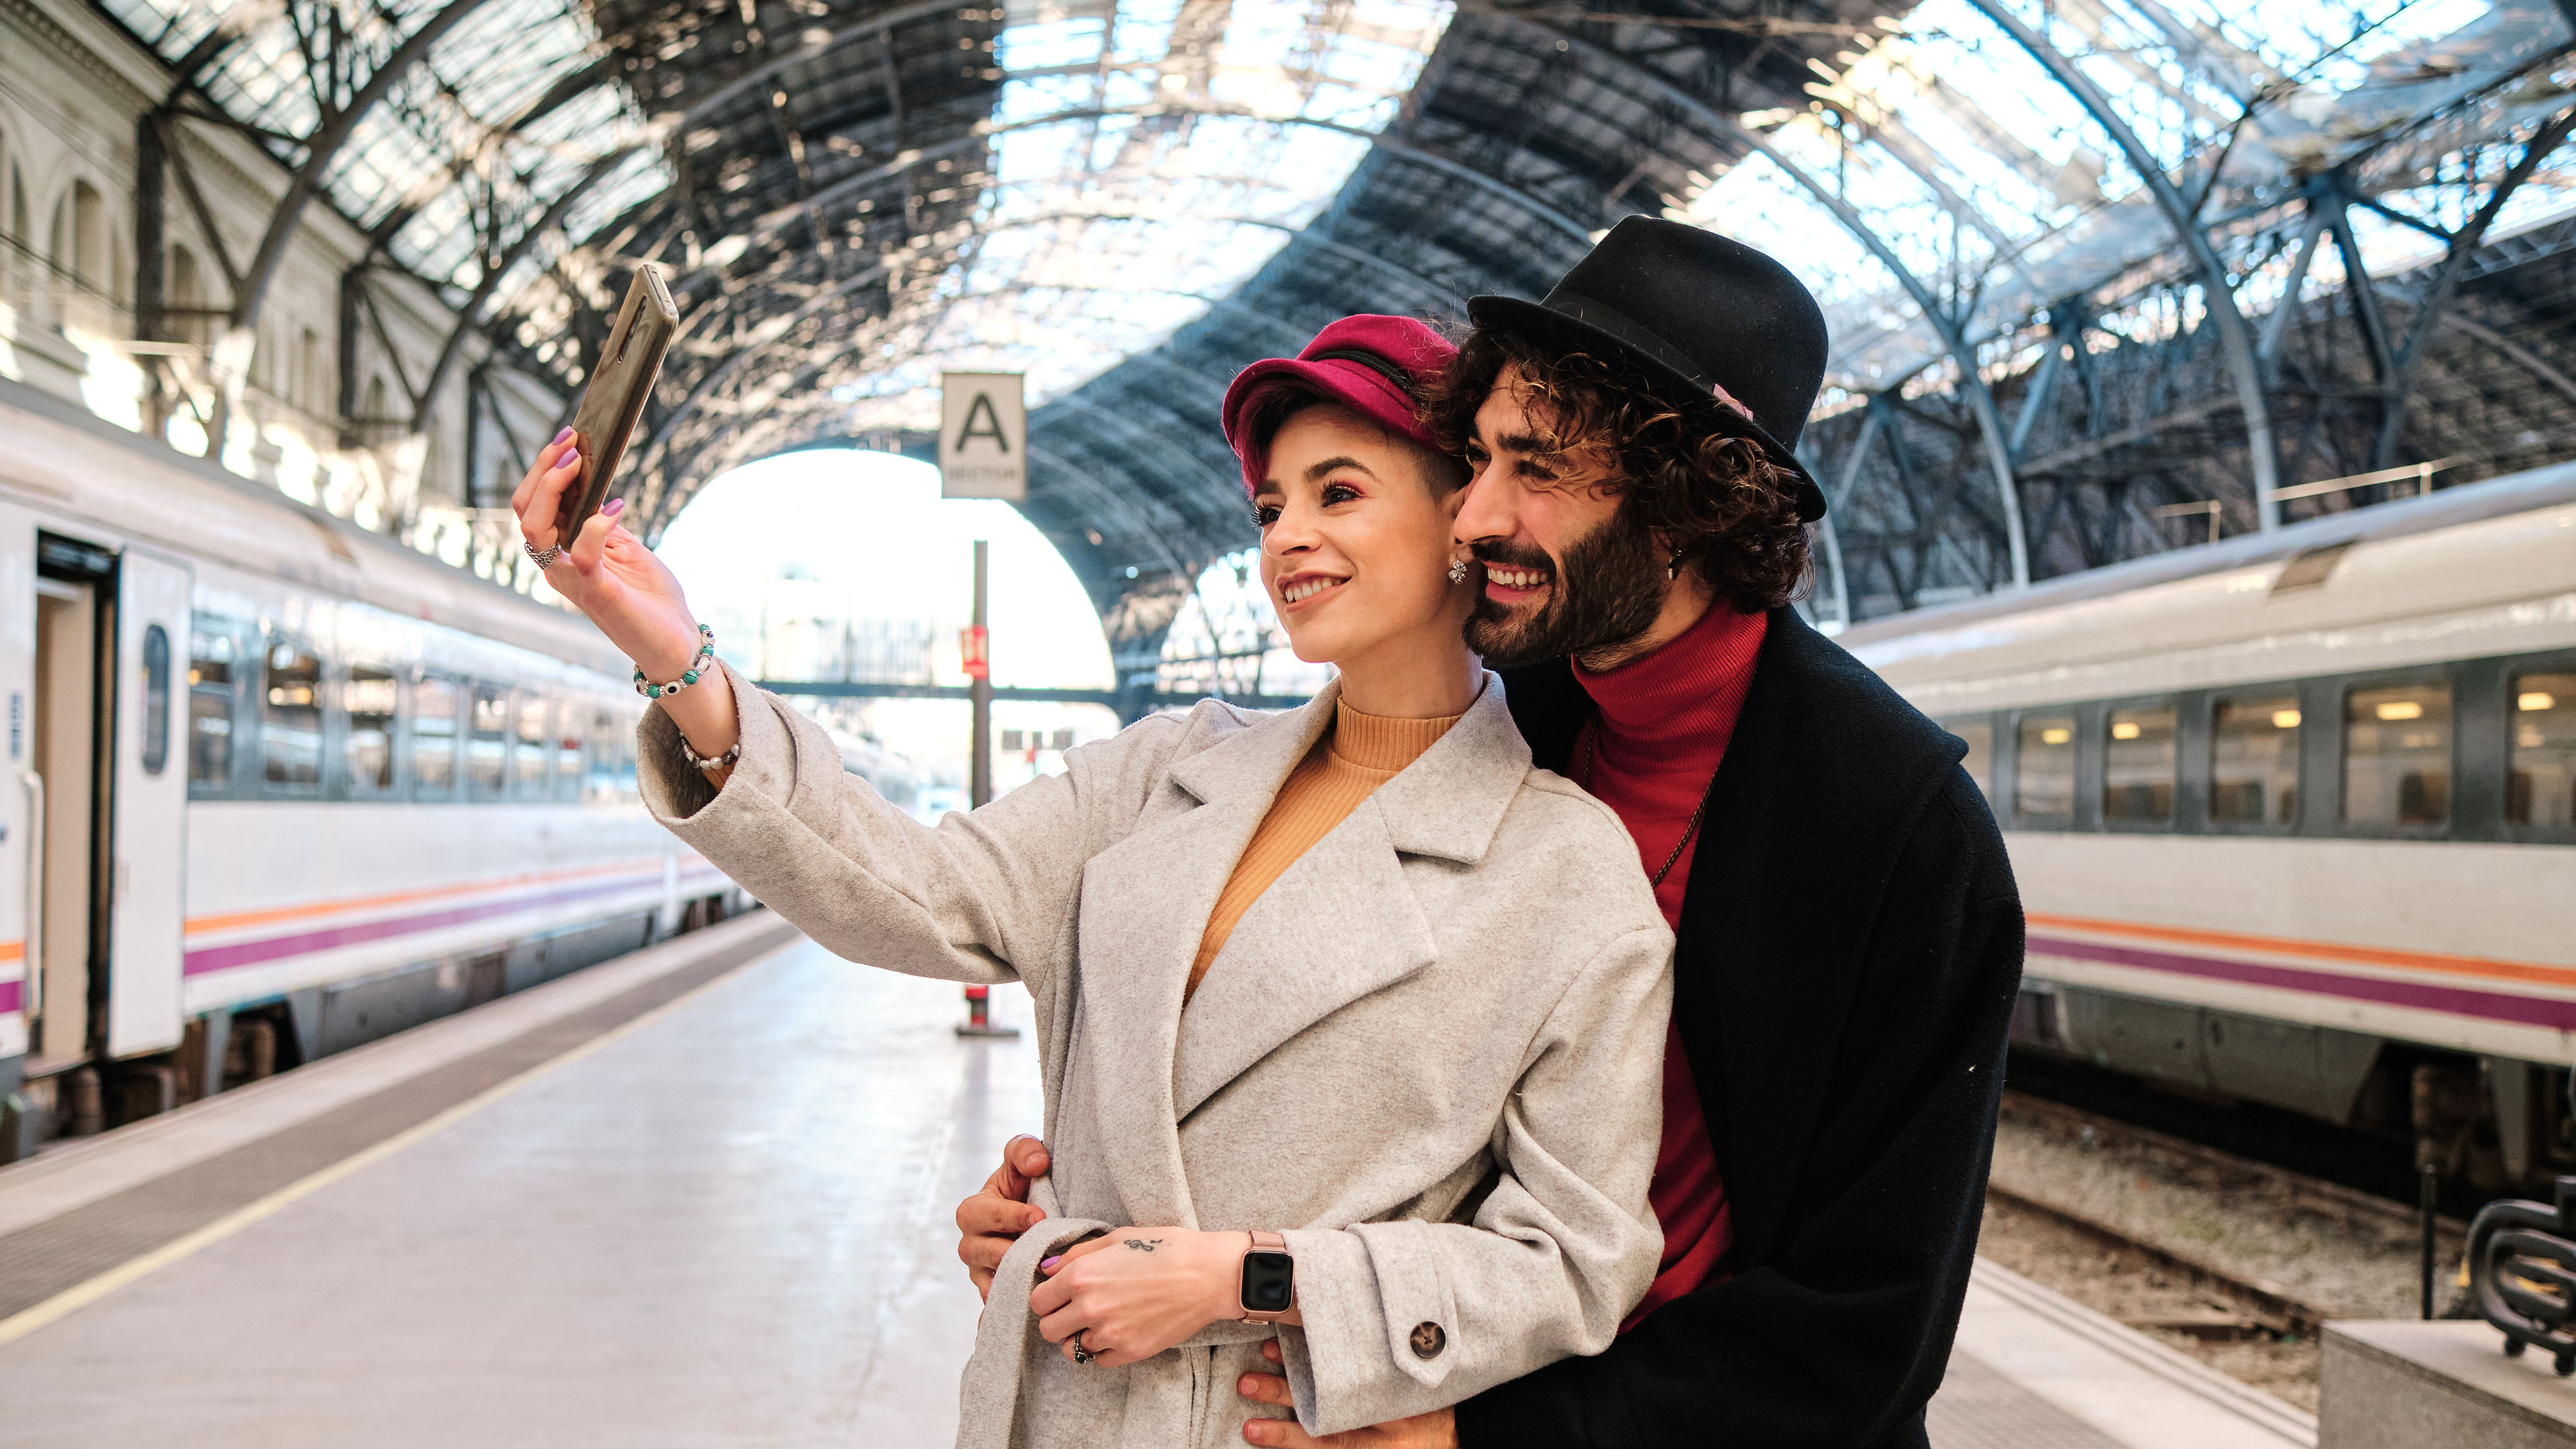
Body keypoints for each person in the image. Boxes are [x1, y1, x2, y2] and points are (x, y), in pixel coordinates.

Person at [511, 314, 1680, 1449]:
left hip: (1288, 1424)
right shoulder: (1168, 770)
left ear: (1460, 518)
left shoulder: (1565, 873)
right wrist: (672, 651)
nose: (1283, 538)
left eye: (1339, 493)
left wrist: (1252, 1274)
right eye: (1272, 506)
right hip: (1069, 1412)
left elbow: (1577, 1256)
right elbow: (917, 888)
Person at [957, 219, 2027, 1449]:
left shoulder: (1894, 832)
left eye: (1538, 471)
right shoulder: (1509, 717)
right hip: (1447, 1377)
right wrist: (1071, 1224)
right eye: (1475, 460)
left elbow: (1871, 1325)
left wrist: (1492, 1439)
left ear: (1687, 506)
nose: (1473, 519)